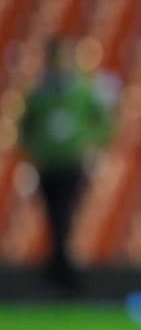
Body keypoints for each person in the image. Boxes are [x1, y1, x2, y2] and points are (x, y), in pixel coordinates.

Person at [18, 38, 114, 292]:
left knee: (64, 217)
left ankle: (61, 270)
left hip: (72, 164)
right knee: (54, 217)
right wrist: (33, 150)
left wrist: (91, 144)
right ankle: (60, 268)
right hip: (48, 165)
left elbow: (104, 121)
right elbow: (26, 127)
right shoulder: (39, 93)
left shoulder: (82, 90)